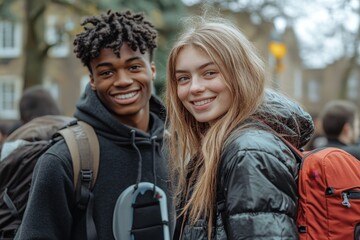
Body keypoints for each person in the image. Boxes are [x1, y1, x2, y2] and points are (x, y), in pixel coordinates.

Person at [15, 10, 173, 239]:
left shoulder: (178, 149)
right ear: (93, 81)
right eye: (107, 72)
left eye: (134, 67)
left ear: (152, 70)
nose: (123, 81)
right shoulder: (65, 159)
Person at [165, 14, 314, 239]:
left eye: (209, 73)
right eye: (183, 78)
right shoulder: (221, 145)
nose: (194, 87)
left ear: (240, 74)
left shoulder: (248, 151)